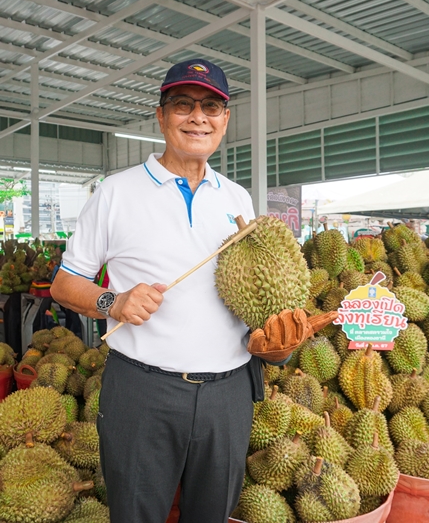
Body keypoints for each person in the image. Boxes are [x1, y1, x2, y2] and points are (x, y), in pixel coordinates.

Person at [50, 59, 330, 522]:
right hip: (143, 391)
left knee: (211, 514)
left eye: (211, 107)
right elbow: (63, 283)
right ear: (161, 116)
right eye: (183, 105)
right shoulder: (116, 192)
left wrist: (277, 344)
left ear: (225, 121)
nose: (198, 117)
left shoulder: (237, 198)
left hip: (230, 394)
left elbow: (258, 297)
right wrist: (113, 302)